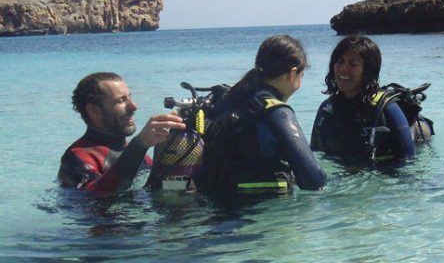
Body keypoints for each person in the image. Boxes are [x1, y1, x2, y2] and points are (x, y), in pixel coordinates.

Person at [198, 35, 327, 195]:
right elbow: (313, 180)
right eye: (302, 75)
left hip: (214, 201)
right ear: (292, 74)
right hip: (260, 214)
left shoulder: (226, 99)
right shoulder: (277, 112)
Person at [58, 72, 186, 193]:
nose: (134, 106)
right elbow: (100, 195)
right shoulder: (76, 157)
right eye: (120, 101)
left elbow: (155, 185)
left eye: (130, 97)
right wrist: (140, 144)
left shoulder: (134, 154)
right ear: (94, 111)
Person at [311, 35, 417, 162]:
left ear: (368, 71)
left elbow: (409, 162)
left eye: (353, 64)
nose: (343, 69)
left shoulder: (386, 108)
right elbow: (313, 157)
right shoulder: (327, 109)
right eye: (340, 61)